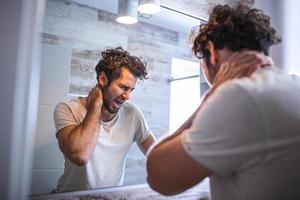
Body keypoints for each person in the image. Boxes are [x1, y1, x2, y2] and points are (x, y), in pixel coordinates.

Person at [146, 4, 300, 200]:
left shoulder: (239, 94)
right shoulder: (294, 84)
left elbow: (159, 176)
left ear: (212, 50)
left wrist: (212, 94)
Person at [54, 47, 155, 192]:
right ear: (102, 79)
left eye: (131, 90)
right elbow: (80, 155)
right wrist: (96, 105)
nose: (128, 96)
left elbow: (156, 154)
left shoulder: (132, 113)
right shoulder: (67, 109)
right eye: (123, 87)